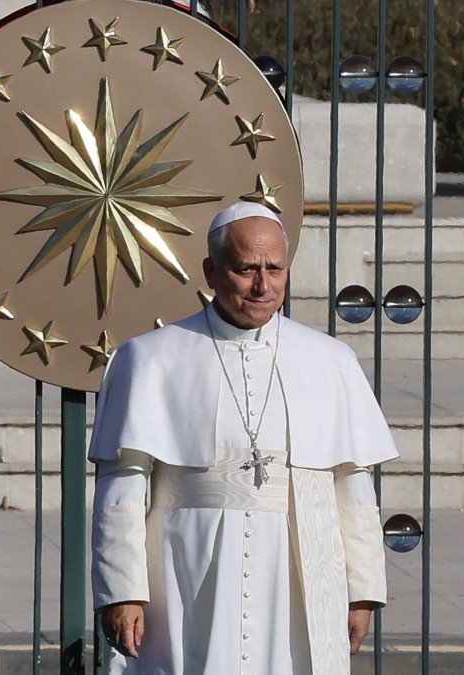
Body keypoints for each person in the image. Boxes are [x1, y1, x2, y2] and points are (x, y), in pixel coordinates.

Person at [89, 201, 398, 674]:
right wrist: (122, 591)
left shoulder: (330, 360)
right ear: (211, 271)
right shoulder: (149, 358)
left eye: (275, 269)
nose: (263, 285)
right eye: (246, 268)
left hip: (296, 571)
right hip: (185, 570)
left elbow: (353, 489)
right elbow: (122, 486)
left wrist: (361, 592)